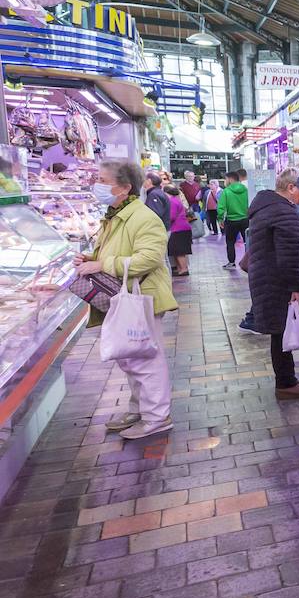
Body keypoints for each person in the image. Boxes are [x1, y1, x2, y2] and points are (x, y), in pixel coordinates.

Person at [78, 160, 179, 439]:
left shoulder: (143, 217)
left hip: (142, 298)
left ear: (124, 188)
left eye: (102, 180)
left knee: (146, 360)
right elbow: (119, 251)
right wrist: (90, 259)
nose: (96, 185)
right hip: (127, 297)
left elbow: (148, 258)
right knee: (131, 357)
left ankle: (157, 417)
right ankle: (140, 409)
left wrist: (102, 265)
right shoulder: (116, 215)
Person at [246, 167, 299, 400]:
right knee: (281, 330)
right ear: (290, 188)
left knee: (280, 331)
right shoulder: (285, 213)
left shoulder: (265, 206)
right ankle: (285, 383)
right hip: (278, 282)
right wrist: (296, 286)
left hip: (265, 278)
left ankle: (288, 378)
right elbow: (289, 256)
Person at [219, 170, 250, 268]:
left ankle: (231, 262)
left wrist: (220, 219)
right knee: (247, 241)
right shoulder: (245, 189)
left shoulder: (226, 191)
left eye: (226, 179)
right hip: (245, 219)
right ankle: (249, 262)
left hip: (231, 220)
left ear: (230, 179)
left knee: (230, 242)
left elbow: (221, 207)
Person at [164, 183, 193, 276]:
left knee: (179, 251)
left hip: (178, 228)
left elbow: (171, 216)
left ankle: (183, 269)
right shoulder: (177, 200)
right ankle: (181, 268)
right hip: (182, 228)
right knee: (177, 250)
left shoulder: (171, 201)